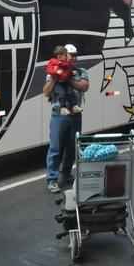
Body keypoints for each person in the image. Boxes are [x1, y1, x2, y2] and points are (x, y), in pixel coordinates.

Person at [42, 44, 90, 193]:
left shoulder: (80, 71)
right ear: (64, 56)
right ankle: (52, 179)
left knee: (72, 148)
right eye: (71, 55)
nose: (74, 58)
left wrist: (67, 77)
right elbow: (46, 92)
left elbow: (84, 86)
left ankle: (66, 174)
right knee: (56, 148)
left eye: (76, 55)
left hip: (75, 115)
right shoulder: (54, 71)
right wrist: (57, 77)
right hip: (59, 115)